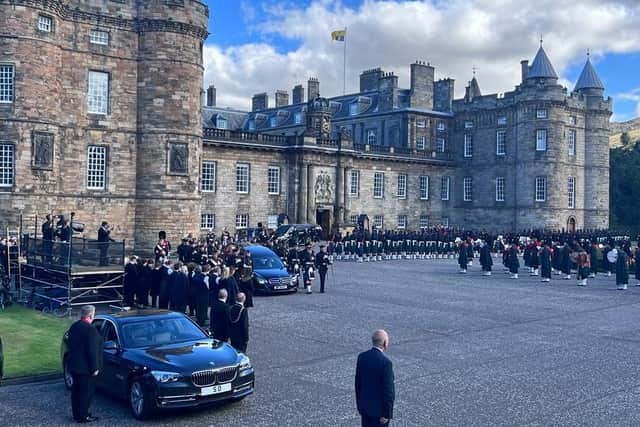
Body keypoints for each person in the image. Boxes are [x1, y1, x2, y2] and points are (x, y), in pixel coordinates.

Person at [66, 305, 102, 423]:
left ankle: (77, 414)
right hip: (85, 368)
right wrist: (95, 367)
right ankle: (84, 415)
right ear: (91, 315)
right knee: (86, 393)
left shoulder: (74, 327)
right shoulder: (90, 330)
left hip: (74, 365)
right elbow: (91, 351)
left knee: (76, 391)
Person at [355, 329, 395, 427]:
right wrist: (387, 414)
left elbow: (358, 384)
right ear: (385, 343)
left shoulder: (362, 357)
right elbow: (388, 391)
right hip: (379, 414)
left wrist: (360, 405)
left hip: (365, 409)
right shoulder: (386, 363)